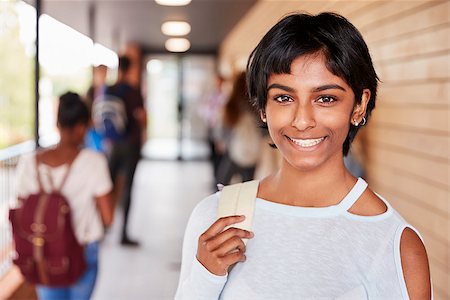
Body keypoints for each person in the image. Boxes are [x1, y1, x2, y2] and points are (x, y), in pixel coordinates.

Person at [175, 12, 432, 299]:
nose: (302, 120)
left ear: (359, 105)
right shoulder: (216, 218)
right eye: (284, 97)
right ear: (263, 107)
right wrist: (205, 277)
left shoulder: (394, 246)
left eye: (326, 98)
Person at [14, 92, 114, 299]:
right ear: (81, 127)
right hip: (83, 249)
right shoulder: (94, 162)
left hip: (43, 250)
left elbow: (21, 207)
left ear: (58, 124)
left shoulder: (28, 163)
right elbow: (108, 217)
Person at [105, 55, 146, 246]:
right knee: (128, 186)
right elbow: (142, 117)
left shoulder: (108, 89)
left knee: (107, 186)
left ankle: (103, 229)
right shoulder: (132, 91)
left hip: (112, 144)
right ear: (130, 68)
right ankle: (123, 234)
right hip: (130, 144)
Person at [216, 72, 262, 185]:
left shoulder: (232, 104)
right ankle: (246, 201)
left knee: (223, 181)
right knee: (249, 184)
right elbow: (264, 129)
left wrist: (223, 142)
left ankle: (222, 201)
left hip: (234, 148)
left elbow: (224, 127)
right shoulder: (256, 105)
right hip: (253, 149)